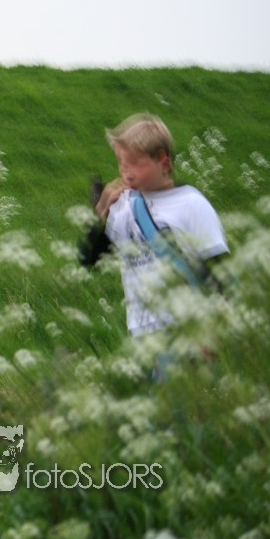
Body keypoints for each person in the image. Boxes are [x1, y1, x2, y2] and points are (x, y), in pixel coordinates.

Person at [80, 113, 229, 378]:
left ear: (163, 161)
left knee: (181, 402)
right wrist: (100, 216)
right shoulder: (124, 208)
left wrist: (211, 332)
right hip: (141, 333)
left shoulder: (191, 204)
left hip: (185, 329)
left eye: (134, 163)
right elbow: (89, 260)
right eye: (121, 163)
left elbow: (217, 272)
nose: (125, 171)